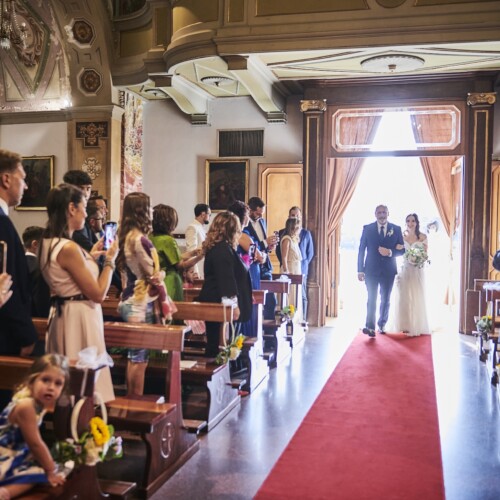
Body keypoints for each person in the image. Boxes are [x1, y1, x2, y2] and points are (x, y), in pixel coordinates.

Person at [39, 183, 117, 403]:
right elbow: (98, 294)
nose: (86, 213)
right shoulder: (69, 248)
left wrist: (90, 256)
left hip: (65, 312)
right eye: (83, 206)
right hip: (80, 316)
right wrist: (110, 260)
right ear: (71, 208)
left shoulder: (48, 242)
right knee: (83, 385)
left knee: (70, 386)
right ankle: (82, 422)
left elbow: (67, 279)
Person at [116, 193, 173, 396]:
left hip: (130, 297)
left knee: (135, 357)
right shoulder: (139, 239)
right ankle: (135, 403)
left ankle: (132, 400)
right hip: (140, 300)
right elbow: (152, 275)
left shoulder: (126, 236)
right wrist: (162, 273)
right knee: (140, 359)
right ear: (140, 211)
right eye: (148, 207)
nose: (151, 211)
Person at [0, 354, 68, 499]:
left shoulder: (33, 403)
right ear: (32, 381)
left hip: (15, 452)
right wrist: (51, 471)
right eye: (45, 380)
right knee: (38, 474)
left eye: (58, 383)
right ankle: (4, 493)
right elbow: (35, 443)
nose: (51, 387)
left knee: (40, 466)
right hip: (4, 456)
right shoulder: (26, 406)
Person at [198, 211, 252, 358]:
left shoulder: (221, 247)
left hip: (217, 302)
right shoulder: (222, 250)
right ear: (231, 230)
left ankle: (221, 364)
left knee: (217, 342)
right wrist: (233, 305)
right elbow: (225, 279)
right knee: (217, 343)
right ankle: (217, 367)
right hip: (219, 304)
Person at [0, 149, 38, 359]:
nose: (26, 186)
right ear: (6, 179)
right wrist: (26, 336)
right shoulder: (1, 224)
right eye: (22, 178)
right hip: (6, 336)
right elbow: (7, 285)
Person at [357, 204, 404, 337]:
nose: (382, 215)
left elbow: (402, 250)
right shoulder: (367, 229)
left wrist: (389, 252)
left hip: (388, 271)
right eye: (379, 212)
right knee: (371, 298)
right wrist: (360, 270)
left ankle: (382, 324)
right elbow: (361, 250)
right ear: (375, 214)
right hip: (370, 270)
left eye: (384, 212)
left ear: (388, 214)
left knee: (385, 299)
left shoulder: (396, 229)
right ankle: (370, 326)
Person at [150, 204, 203, 301]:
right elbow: (181, 265)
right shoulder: (168, 240)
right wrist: (199, 258)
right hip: (169, 281)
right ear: (168, 222)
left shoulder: (151, 237)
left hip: (155, 281)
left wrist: (192, 253)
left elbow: (171, 258)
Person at [392, 213, 430, 336]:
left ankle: (416, 325)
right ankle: (404, 325)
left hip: (417, 270)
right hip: (405, 269)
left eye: (413, 221)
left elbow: (425, 254)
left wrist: (418, 259)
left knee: (416, 296)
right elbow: (397, 252)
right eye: (408, 221)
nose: (410, 223)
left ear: (417, 222)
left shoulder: (423, 236)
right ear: (405, 223)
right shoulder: (402, 237)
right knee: (404, 298)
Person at [276, 206, 314, 320]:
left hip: (301, 269)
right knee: (289, 296)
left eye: (297, 215)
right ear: (289, 217)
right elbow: (280, 253)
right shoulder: (283, 234)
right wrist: (286, 266)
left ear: (301, 217)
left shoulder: (306, 234)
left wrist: (302, 265)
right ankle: (288, 320)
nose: (295, 218)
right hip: (289, 269)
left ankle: (302, 320)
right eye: (293, 215)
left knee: (302, 296)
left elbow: (310, 253)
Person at [246, 197, 278, 319]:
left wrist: (269, 246)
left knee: (271, 300)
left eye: (262, 213)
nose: (260, 216)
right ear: (250, 210)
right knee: (255, 300)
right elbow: (249, 247)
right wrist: (265, 242)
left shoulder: (262, 222)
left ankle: (270, 327)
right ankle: (257, 326)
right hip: (252, 266)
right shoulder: (244, 224)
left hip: (265, 266)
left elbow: (264, 246)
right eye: (258, 213)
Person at [22, 226, 50, 319]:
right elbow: (41, 306)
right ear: (35, 244)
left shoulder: (14, 264)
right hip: (36, 321)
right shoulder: (40, 270)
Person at [184, 203, 211, 279]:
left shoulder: (200, 227)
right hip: (198, 268)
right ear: (203, 214)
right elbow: (191, 250)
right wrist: (195, 272)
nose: (209, 217)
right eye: (209, 214)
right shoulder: (192, 227)